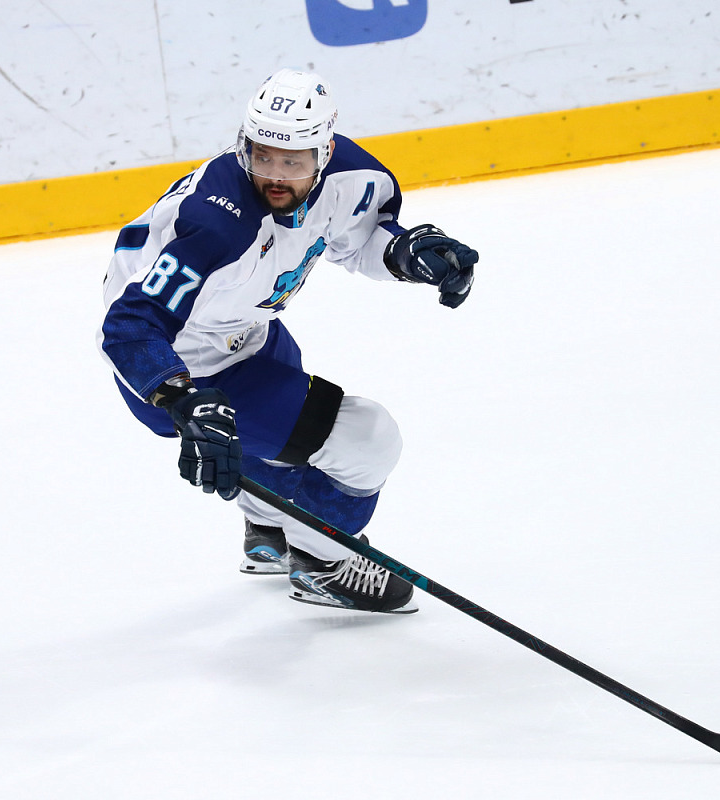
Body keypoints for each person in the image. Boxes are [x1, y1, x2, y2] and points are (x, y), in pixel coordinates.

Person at [98, 68, 478, 614]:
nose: (274, 175)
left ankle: (268, 531)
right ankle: (324, 565)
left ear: (325, 152)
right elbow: (130, 326)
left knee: (291, 440)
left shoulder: (352, 177)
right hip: (175, 362)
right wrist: (181, 398)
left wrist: (406, 253)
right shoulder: (216, 226)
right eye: (262, 156)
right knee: (366, 439)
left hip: (247, 328)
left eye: (293, 161)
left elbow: (359, 239)